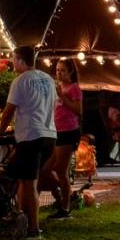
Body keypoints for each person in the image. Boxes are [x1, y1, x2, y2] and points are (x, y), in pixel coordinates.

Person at [0, 46, 56, 239]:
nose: (13, 63)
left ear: (21, 60)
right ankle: (20, 219)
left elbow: (9, 110)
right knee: (25, 179)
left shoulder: (20, 81)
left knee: (29, 184)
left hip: (31, 136)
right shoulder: (48, 79)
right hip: (49, 135)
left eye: (14, 59)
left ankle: (33, 229)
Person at [40, 59, 82, 219]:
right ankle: (63, 199)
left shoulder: (74, 89)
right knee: (45, 170)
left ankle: (65, 207)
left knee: (61, 170)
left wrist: (62, 97)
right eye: (57, 70)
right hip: (55, 131)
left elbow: (78, 110)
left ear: (71, 72)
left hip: (68, 131)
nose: (59, 73)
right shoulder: (58, 88)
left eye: (63, 70)